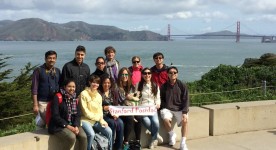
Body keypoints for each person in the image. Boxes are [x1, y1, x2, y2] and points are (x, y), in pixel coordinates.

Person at [48, 79, 87, 150]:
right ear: (64, 87)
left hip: (72, 124)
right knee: (71, 137)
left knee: (83, 136)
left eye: (73, 87)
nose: (72, 89)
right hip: (59, 125)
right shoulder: (58, 97)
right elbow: (55, 116)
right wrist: (68, 126)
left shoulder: (75, 97)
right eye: (69, 86)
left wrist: (76, 126)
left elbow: (78, 114)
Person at [79, 75, 113, 150]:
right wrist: (98, 118)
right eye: (93, 82)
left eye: (97, 83)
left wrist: (102, 120)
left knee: (109, 131)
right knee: (91, 134)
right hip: (85, 120)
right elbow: (85, 112)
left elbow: (100, 111)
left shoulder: (99, 96)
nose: (95, 84)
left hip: (97, 121)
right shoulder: (83, 94)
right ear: (89, 82)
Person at [160, 66, 189, 150]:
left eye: (175, 72)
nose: (173, 74)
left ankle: (183, 143)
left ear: (177, 74)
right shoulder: (164, 86)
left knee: (185, 121)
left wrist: (184, 112)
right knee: (165, 119)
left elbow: (186, 99)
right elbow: (161, 98)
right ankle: (172, 134)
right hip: (168, 108)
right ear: (167, 74)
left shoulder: (182, 85)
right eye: (171, 73)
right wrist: (164, 107)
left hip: (180, 108)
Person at [31, 50, 61, 129]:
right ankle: (39, 137)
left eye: (54, 58)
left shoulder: (57, 71)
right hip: (42, 102)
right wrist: (35, 105)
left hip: (54, 101)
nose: (52, 60)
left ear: (56, 59)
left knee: (52, 121)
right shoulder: (38, 70)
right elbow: (34, 88)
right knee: (44, 122)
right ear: (45, 59)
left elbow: (60, 86)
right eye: (49, 58)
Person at [116, 67, 142, 150]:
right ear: (120, 76)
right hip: (120, 110)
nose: (124, 76)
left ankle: (137, 141)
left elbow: (134, 100)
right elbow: (120, 100)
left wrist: (133, 112)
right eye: (122, 74)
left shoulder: (132, 87)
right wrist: (129, 97)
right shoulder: (116, 87)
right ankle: (126, 142)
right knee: (130, 118)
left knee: (139, 117)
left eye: (126, 74)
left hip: (130, 109)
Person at [137, 68, 163, 149]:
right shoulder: (138, 85)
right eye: (145, 73)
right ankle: (156, 134)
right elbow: (136, 98)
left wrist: (158, 104)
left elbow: (157, 98)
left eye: (149, 73)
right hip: (143, 109)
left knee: (156, 122)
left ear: (151, 74)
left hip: (152, 108)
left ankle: (153, 139)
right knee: (146, 121)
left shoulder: (155, 85)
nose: (147, 75)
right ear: (142, 75)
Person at [99, 76, 124, 150]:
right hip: (103, 115)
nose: (107, 85)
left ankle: (118, 147)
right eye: (105, 83)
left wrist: (116, 114)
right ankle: (110, 146)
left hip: (113, 114)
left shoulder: (113, 92)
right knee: (112, 124)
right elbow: (95, 107)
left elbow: (116, 105)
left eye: (108, 83)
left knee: (121, 123)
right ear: (102, 84)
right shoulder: (99, 93)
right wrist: (103, 108)